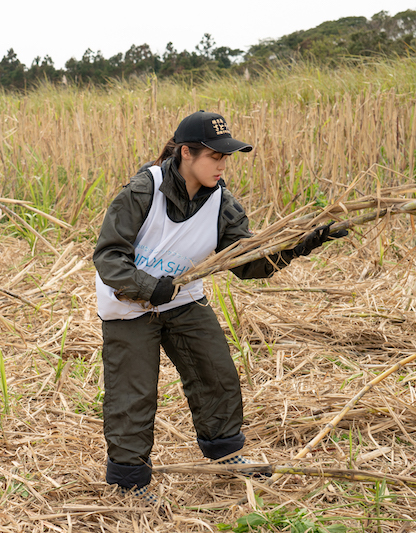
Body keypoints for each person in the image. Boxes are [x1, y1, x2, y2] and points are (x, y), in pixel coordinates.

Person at [93, 110, 347, 502]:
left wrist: (303, 243)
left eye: (225, 157)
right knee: (134, 393)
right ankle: (129, 482)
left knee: (216, 373)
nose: (222, 164)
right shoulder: (143, 190)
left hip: (183, 299)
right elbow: (109, 256)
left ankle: (226, 455)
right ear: (185, 153)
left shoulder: (221, 202)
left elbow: (248, 263)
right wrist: (147, 287)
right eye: (214, 156)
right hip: (129, 305)